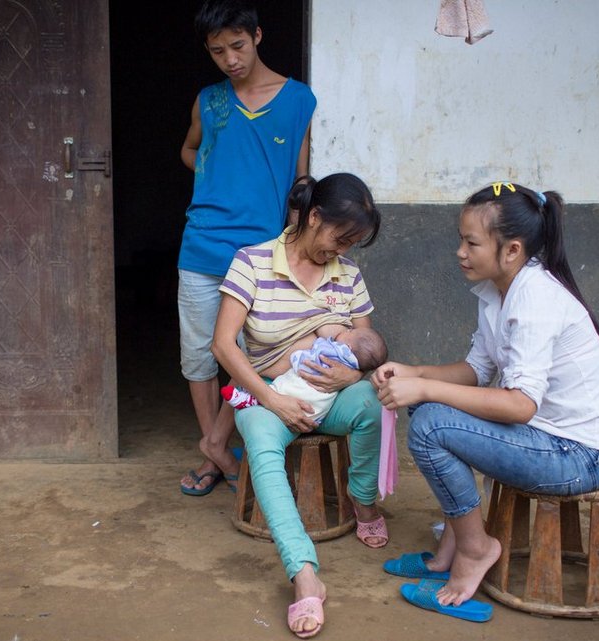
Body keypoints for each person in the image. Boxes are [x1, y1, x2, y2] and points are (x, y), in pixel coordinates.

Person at [374, 181, 599, 618]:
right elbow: (475, 371)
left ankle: (474, 548)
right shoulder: (498, 292)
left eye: (471, 242)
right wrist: (414, 373)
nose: (460, 252)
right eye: (461, 240)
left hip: (577, 456)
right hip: (544, 439)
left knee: (432, 423)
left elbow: (521, 404)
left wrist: (426, 389)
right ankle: (449, 550)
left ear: (511, 250)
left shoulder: (535, 298)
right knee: (428, 409)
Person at [213, 173, 385, 638]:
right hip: (269, 390)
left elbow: (363, 343)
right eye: (339, 237)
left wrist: (351, 375)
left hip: (331, 395)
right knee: (263, 449)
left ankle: (363, 500)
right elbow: (223, 345)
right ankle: (304, 573)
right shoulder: (252, 262)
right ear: (313, 217)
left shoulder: (347, 275)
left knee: (371, 403)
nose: (342, 250)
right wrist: (272, 398)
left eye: (353, 243)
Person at [177, 0, 317, 496]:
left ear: (257, 36)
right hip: (201, 246)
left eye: (237, 46)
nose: (230, 59)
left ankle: (216, 443)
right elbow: (189, 148)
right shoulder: (209, 101)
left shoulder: (298, 98)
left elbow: (301, 181)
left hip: (260, 252)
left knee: (251, 353)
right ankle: (215, 454)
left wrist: (299, 241)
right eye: (218, 52)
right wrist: (213, 176)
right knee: (198, 356)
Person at [221, 325, 388, 423]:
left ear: (348, 348)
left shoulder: (335, 350)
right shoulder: (353, 356)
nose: (348, 329)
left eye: (350, 331)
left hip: (299, 388)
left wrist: (297, 356)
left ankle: (250, 400)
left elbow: (310, 355)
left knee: (281, 389)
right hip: (318, 409)